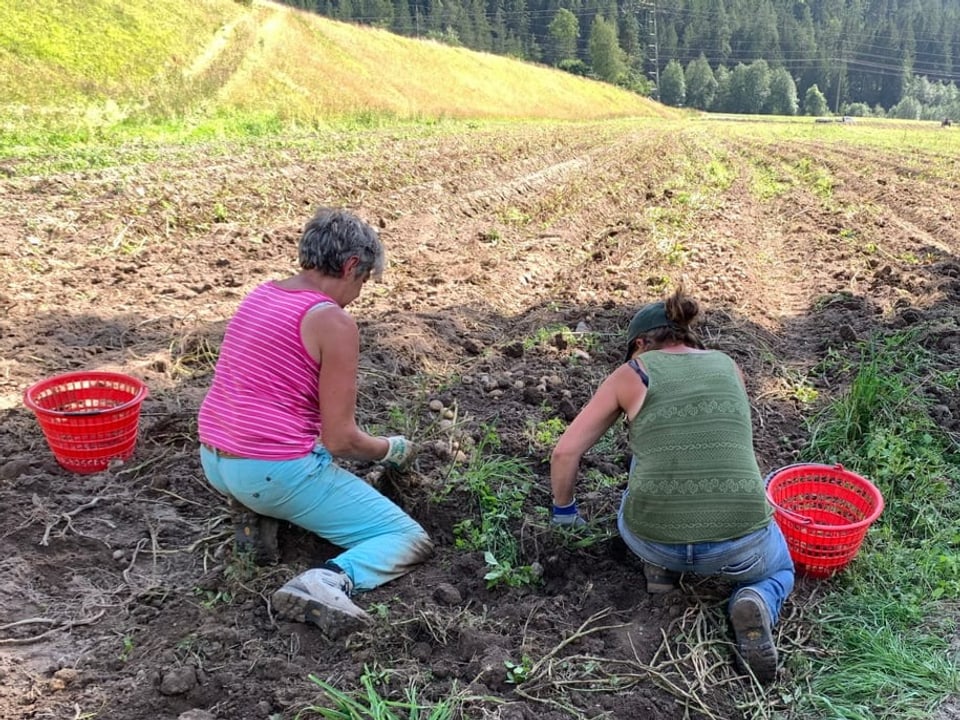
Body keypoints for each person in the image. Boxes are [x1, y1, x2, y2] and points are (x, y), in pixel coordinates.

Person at [198, 208, 433, 638]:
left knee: (308, 453)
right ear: (349, 267)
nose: (357, 294)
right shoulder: (331, 320)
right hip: (269, 470)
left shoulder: (263, 294)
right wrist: (392, 450)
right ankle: (325, 582)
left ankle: (258, 514)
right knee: (408, 538)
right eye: (362, 282)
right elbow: (341, 439)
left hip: (215, 458)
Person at [548, 286, 794, 683]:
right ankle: (756, 598)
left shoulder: (633, 373)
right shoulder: (728, 365)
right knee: (780, 570)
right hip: (739, 547)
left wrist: (564, 515)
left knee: (643, 468)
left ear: (641, 344)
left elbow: (564, 453)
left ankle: (660, 569)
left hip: (652, 536)